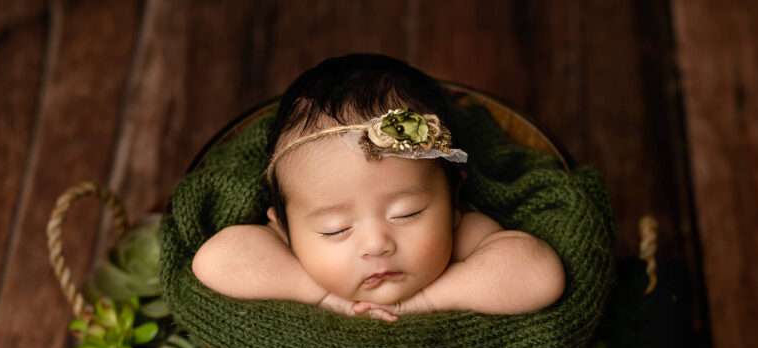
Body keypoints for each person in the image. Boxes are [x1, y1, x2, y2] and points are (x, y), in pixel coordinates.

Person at [192, 54, 566, 323]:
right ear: (283, 228)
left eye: (408, 213)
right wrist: (321, 295)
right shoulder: (287, 255)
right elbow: (214, 260)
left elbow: (539, 275)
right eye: (335, 228)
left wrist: (428, 300)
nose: (376, 245)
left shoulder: (464, 232)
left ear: (454, 200)